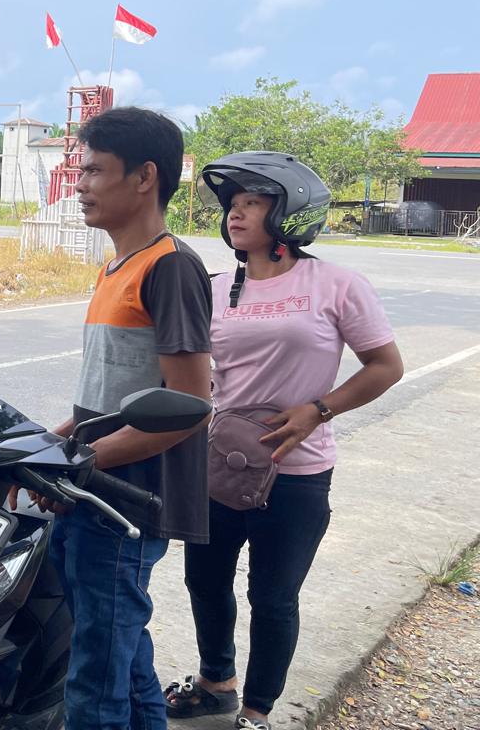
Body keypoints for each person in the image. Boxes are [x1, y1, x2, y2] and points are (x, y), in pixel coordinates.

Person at [164, 152, 403, 730]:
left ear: (290, 213)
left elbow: (385, 366)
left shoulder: (336, 285)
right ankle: (216, 683)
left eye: (252, 203)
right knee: (204, 582)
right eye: (233, 204)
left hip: (296, 472)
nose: (236, 213)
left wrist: (319, 411)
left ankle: (256, 711)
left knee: (273, 597)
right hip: (220, 463)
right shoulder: (215, 288)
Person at [30, 106, 214, 730]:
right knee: (123, 658)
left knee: (95, 675)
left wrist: (80, 461)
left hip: (126, 504)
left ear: (144, 177)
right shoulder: (116, 266)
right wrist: (51, 441)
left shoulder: (170, 267)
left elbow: (188, 406)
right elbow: (109, 398)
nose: (80, 184)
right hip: (94, 494)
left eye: (94, 171)